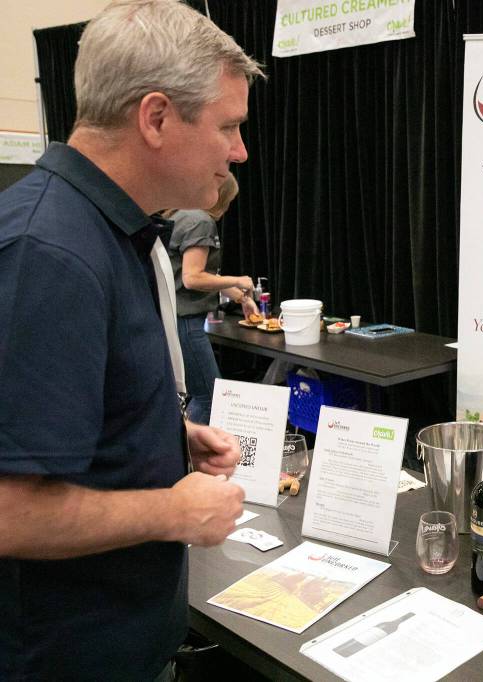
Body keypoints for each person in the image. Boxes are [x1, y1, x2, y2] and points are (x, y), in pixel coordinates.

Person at [0, 1, 264, 679]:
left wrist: (164, 432)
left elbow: (61, 424)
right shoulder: (49, 251)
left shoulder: (105, 232)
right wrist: (171, 511)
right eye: (227, 127)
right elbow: (9, 511)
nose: (238, 151)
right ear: (155, 118)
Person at [167, 172, 259, 424]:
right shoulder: (200, 221)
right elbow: (192, 278)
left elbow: (199, 273)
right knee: (211, 400)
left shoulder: (182, 214)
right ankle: (186, 458)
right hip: (186, 322)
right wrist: (237, 280)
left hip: (175, 321)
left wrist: (241, 298)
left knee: (201, 396)